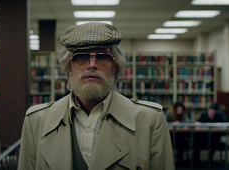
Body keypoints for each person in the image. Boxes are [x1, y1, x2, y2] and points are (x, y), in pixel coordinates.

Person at [18, 22, 175, 170]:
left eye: (102, 57)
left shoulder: (149, 120)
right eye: (81, 58)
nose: (92, 65)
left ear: (115, 67)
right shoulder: (36, 121)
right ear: (68, 68)